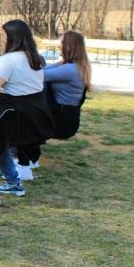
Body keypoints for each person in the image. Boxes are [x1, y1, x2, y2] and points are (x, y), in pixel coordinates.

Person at [0, 19, 55, 207]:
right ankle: (14, 184)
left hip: (12, 111)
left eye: (3, 34)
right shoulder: (33, 57)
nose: (1, 38)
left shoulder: (9, 59)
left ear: (12, 37)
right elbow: (6, 78)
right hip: (32, 112)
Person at [37, 31, 90, 166]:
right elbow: (44, 68)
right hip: (65, 117)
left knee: (20, 117)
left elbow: (38, 75)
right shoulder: (74, 65)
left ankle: (23, 161)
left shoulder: (71, 69)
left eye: (61, 43)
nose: (59, 46)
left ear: (69, 46)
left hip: (61, 122)